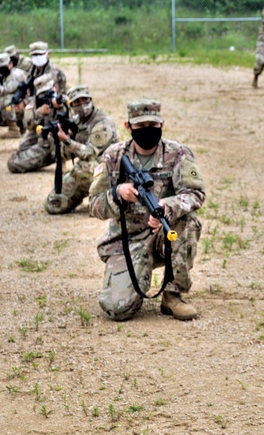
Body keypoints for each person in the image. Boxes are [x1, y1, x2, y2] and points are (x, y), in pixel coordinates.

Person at [87, 100, 205, 322]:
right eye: (140, 126)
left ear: (162, 123)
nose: (147, 130)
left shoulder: (178, 153)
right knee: (117, 309)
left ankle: (172, 295)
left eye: (153, 124)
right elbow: (93, 204)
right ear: (128, 126)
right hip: (126, 241)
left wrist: (167, 206)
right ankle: (136, 278)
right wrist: (117, 193)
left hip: (163, 235)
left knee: (188, 221)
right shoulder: (114, 156)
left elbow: (195, 194)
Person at [45, 85, 119, 214]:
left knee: (82, 169)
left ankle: (104, 199)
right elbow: (65, 155)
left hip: (109, 170)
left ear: (91, 100)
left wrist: (68, 141)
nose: (82, 104)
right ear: (72, 105)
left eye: (85, 100)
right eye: (77, 102)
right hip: (87, 169)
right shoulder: (76, 122)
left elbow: (90, 153)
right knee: (53, 204)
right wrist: (57, 140)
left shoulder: (102, 123)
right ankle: (82, 195)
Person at [7, 74, 63, 173]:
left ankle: (58, 159)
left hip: (57, 140)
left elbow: (76, 121)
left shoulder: (63, 100)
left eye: (49, 91)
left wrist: (60, 108)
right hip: (42, 138)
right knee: (23, 146)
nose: (46, 95)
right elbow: (27, 125)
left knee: (14, 164)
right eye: (43, 93)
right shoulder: (35, 102)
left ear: (55, 87)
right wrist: (39, 112)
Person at [0, 52, 27, 137]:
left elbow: (4, 91)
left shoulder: (17, 75)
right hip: (14, 108)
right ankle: (19, 125)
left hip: (24, 106)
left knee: (6, 100)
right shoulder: (4, 76)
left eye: (3, 68)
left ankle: (14, 129)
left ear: (10, 64)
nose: (1, 71)